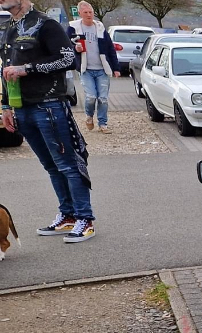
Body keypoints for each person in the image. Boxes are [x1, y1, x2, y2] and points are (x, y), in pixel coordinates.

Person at [2, 0, 98, 243]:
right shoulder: (11, 28)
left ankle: (85, 219)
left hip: (49, 105)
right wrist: (5, 106)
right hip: (22, 108)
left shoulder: (46, 24)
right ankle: (67, 215)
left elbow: (68, 59)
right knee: (51, 166)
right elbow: (6, 68)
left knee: (67, 164)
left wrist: (27, 69)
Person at [68, 1, 119, 134]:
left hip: (102, 69)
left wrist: (116, 68)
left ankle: (103, 123)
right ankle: (89, 116)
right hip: (86, 69)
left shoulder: (100, 28)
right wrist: (75, 48)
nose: (89, 14)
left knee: (103, 98)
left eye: (90, 12)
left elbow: (110, 48)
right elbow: (66, 45)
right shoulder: (73, 28)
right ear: (80, 13)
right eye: (85, 12)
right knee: (91, 97)